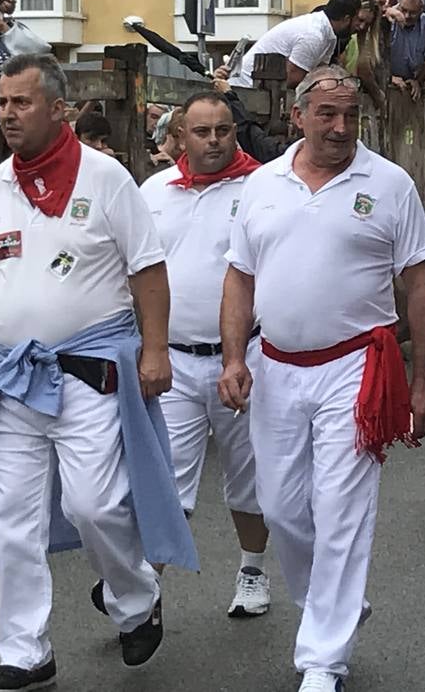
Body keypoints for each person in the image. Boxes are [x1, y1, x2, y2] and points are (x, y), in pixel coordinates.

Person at [0, 54, 196, 690]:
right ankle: (25, 650)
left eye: (21, 102)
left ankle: (135, 598)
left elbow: (147, 269)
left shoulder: (105, 179)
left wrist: (155, 350)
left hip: (89, 370)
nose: (7, 113)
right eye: (2, 101)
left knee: (93, 504)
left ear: (57, 109)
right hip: (13, 376)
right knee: (12, 516)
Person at [219, 65, 425, 691]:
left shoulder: (391, 184)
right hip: (276, 368)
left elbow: (419, 281)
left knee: (341, 509)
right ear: (297, 116)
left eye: (350, 116)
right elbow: (239, 276)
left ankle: (322, 660)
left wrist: (424, 380)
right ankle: (333, 601)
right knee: (283, 508)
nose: (341, 127)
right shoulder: (261, 184)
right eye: (327, 114)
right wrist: (234, 358)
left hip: (356, 370)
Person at [139, 90, 271, 619]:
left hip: (243, 358)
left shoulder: (260, 187)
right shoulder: (154, 192)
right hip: (172, 358)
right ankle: (144, 589)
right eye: (201, 131)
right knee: (167, 479)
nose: (214, 140)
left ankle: (253, 571)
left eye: (223, 130)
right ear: (180, 137)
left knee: (247, 477)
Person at [235, 0, 361, 89]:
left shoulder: (329, 35)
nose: (359, 26)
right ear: (346, 19)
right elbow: (293, 78)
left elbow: (321, 72)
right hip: (248, 88)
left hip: (262, 86)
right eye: (358, 20)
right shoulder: (313, 35)